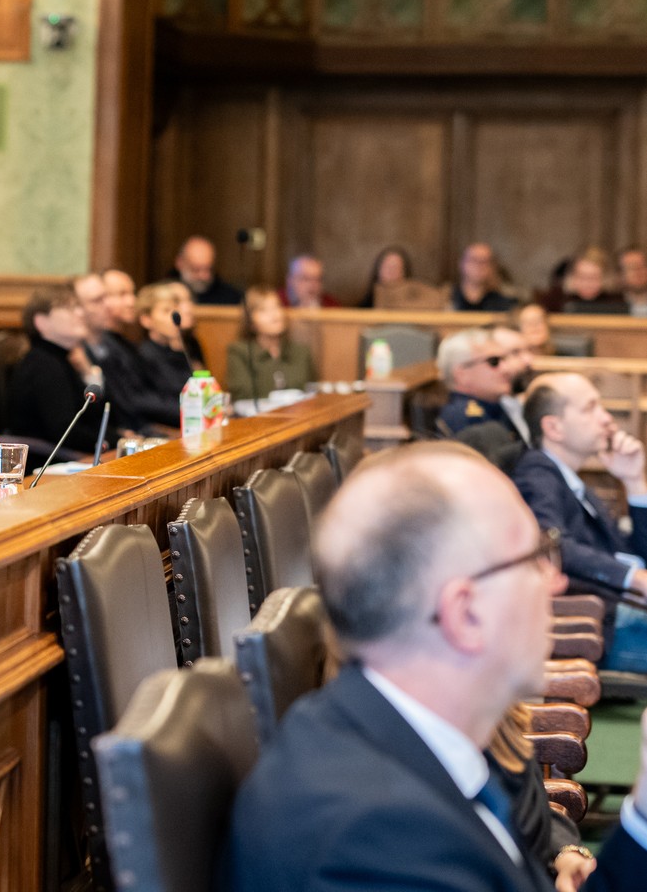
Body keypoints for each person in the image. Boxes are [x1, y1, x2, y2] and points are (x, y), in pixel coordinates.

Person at [226, 442, 647, 892]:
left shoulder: (423, 738)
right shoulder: (373, 841)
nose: (556, 582)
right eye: (534, 559)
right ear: (465, 614)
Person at [515, 372, 647, 674]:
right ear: (553, 427)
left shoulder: (572, 481)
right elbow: (551, 542)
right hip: (595, 624)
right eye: (590, 408)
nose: (606, 418)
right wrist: (635, 578)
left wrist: (635, 481)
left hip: (620, 612)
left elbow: (634, 554)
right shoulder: (536, 474)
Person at [8, 285, 112, 457]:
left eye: (78, 307)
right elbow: (67, 432)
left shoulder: (59, 359)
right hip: (49, 461)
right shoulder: (43, 364)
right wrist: (115, 441)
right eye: (69, 308)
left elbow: (94, 416)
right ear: (42, 322)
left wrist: (89, 372)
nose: (80, 313)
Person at [75, 272, 174, 433]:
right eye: (98, 300)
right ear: (77, 309)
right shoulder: (76, 351)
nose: (132, 301)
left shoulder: (113, 344)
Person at [437, 327, 531, 444]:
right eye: (494, 362)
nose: (506, 369)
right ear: (462, 374)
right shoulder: (466, 418)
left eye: (504, 359)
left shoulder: (494, 405)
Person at [226, 286, 315, 403]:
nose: (274, 314)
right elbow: (242, 394)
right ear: (250, 321)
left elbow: (312, 390)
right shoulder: (240, 352)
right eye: (263, 310)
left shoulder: (300, 352)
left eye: (277, 306)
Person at [135, 281, 204, 424]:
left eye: (175, 310)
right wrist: (195, 410)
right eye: (166, 311)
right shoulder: (145, 355)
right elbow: (150, 403)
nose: (174, 317)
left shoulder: (181, 351)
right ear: (146, 320)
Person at [165, 235, 242, 305]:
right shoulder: (164, 292)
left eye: (208, 269)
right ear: (180, 263)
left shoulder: (230, 297)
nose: (203, 276)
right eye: (196, 269)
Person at [548, 250, 626, 314]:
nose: (587, 283)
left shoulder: (617, 302)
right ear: (571, 277)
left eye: (593, 278)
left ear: (605, 279)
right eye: (581, 277)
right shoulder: (555, 301)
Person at [451, 242, 518, 312]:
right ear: (462, 263)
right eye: (474, 260)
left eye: (485, 261)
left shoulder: (508, 301)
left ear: (493, 266)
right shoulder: (447, 298)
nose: (479, 266)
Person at [619, 246, 647, 317]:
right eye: (632, 268)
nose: (638, 272)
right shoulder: (611, 304)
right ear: (621, 274)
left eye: (642, 266)